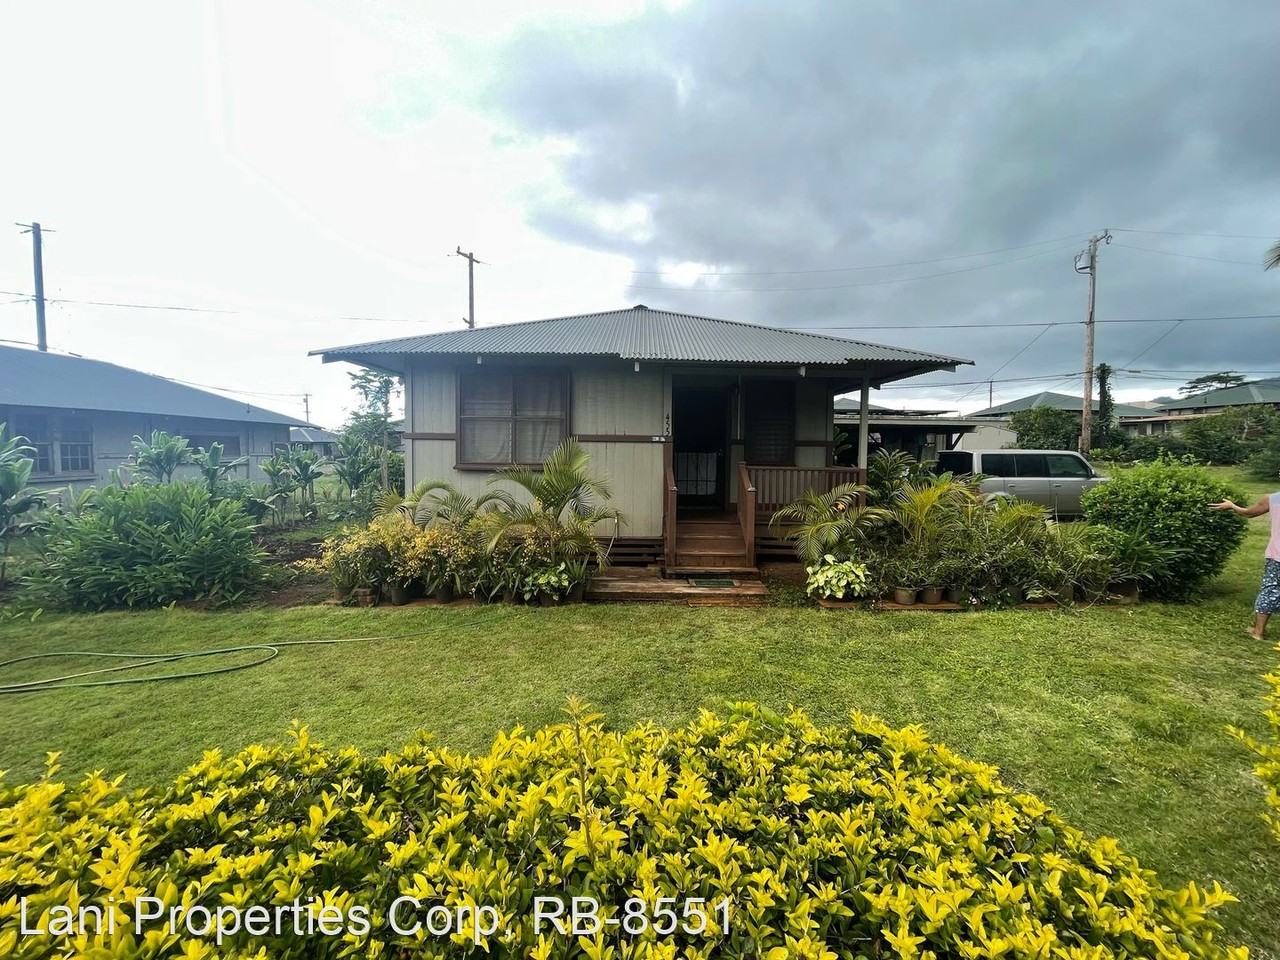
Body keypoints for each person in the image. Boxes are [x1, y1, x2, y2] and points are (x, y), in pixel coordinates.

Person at [1209, 490, 1279, 640]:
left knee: (1270, 589)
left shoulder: (1273, 499)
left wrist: (1231, 505)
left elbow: (1248, 513)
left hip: (1277, 556)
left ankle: (1258, 632)